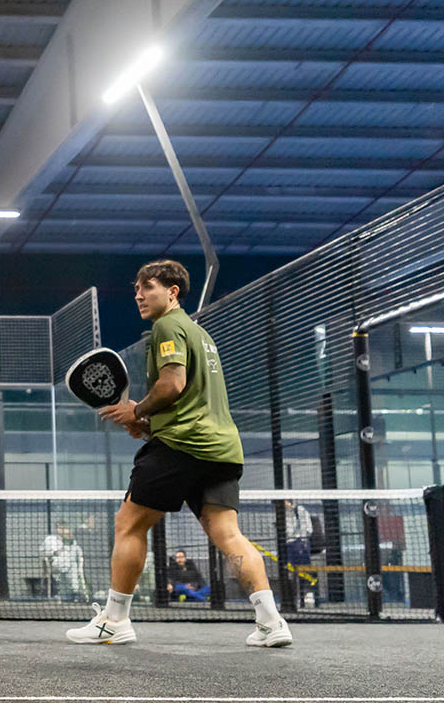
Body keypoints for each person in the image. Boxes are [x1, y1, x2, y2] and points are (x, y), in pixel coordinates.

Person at [74, 259, 293, 647]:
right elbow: (190, 400)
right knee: (228, 534)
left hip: (183, 447)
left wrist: (136, 411)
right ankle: (271, 622)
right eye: (136, 289)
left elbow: (173, 384)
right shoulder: (200, 334)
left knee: (129, 524)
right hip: (222, 450)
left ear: (172, 292)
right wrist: (147, 424)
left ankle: (115, 621)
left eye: (148, 287)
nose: (139, 295)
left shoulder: (166, 326)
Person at [283, 500, 316, 609]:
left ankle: (305, 597)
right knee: (289, 573)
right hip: (287, 546)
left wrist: (302, 540)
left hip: (300, 544)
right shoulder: (281, 513)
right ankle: (293, 599)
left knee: (303, 572)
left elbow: (307, 529)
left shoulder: (300, 510)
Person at [41, 523, 85, 602]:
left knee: (73, 565)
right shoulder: (50, 539)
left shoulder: (72, 541)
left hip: (70, 564)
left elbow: (79, 552)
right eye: (65, 529)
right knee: (68, 564)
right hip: (55, 563)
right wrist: (57, 551)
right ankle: (72, 593)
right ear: (59, 530)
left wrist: (70, 542)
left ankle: (74, 592)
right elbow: (47, 553)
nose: (68, 531)